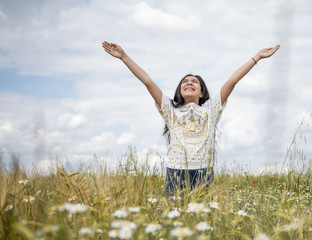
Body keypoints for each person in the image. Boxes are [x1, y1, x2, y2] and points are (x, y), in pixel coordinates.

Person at [102, 41, 280, 197]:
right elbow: (147, 81)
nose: (188, 83)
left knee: (201, 217)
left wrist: (257, 57)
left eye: (194, 82)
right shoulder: (169, 109)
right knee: (176, 214)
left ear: (201, 92)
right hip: (176, 171)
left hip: (203, 172)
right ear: (179, 90)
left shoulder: (211, 108)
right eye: (185, 81)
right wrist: (123, 56)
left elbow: (233, 80)